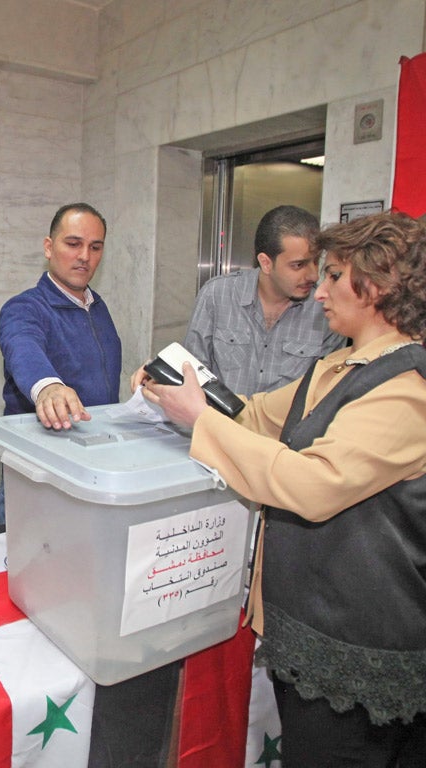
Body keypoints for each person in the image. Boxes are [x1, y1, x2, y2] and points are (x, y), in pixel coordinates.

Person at [137, 211, 426, 766]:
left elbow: (313, 483)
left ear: (381, 283)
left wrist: (200, 419)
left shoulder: (406, 388)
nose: (318, 292)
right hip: (310, 636)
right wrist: (177, 383)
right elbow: (251, 415)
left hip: (359, 653)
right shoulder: (336, 366)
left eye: (334, 276)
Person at [184, 205, 345, 395]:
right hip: (217, 421)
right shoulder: (217, 295)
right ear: (266, 263)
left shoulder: (326, 310)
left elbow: (325, 393)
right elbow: (191, 375)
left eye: (316, 261)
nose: (312, 275)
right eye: (298, 265)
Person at [0, 202, 122, 430]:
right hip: (40, 448)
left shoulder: (97, 307)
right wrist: (48, 387)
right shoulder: (24, 307)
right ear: (48, 247)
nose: (85, 256)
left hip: (96, 440)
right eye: (74, 244)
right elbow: (23, 347)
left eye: (95, 247)